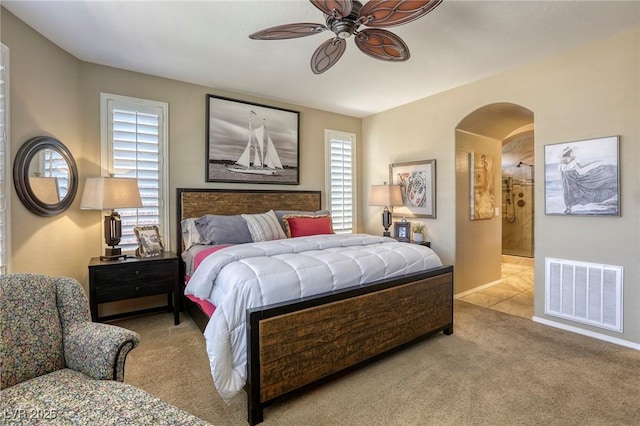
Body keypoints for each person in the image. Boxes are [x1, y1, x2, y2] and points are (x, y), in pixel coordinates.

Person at [559, 146, 617, 214]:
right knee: (581, 187)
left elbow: (562, 172)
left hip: (566, 177)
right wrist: (592, 162)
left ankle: (568, 208)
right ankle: (569, 208)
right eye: (571, 151)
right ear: (569, 152)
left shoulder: (562, 159)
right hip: (573, 174)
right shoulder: (573, 157)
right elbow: (581, 167)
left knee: (567, 192)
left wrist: (562, 180)